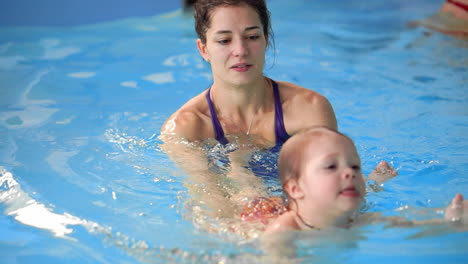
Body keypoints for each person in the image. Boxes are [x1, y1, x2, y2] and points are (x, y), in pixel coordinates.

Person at [263, 127, 468, 235]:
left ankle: (373, 181)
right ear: (296, 188)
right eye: (331, 166)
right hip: (266, 210)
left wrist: (452, 221)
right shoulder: (284, 230)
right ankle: (374, 182)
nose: (350, 173)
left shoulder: (360, 220)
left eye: (355, 167)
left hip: (339, 204)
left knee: (357, 197)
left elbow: (410, 224)